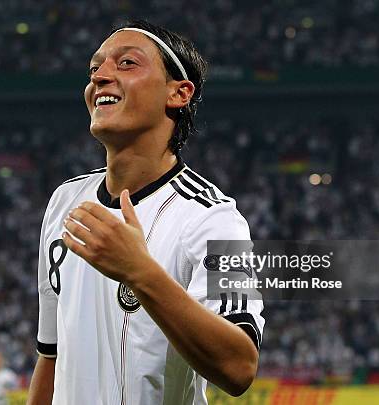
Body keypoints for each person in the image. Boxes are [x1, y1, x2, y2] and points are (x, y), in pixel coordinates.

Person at [27, 20, 264, 405]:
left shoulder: (214, 218)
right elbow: (51, 356)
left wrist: (140, 271)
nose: (100, 77)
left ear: (179, 92)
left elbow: (239, 368)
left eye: (127, 64)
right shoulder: (64, 203)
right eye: (95, 69)